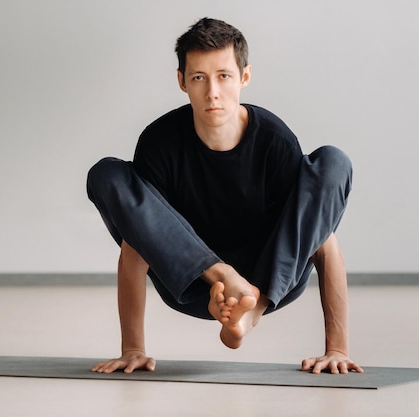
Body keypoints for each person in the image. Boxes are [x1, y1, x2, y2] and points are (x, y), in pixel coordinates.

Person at [86, 17, 363, 375]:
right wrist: (132, 348)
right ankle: (222, 274)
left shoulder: (274, 141)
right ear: (182, 81)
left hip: (270, 281)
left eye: (224, 76)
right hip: (194, 285)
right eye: (199, 77)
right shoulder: (160, 142)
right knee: (106, 173)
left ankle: (252, 311)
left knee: (333, 162)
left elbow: (321, 239)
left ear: (244, 77)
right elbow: (138, 241)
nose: (212, 91)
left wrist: (337, 349)